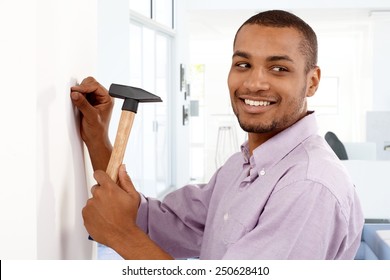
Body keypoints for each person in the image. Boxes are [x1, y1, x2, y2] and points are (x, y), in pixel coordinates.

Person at [70, 10, 364, 260]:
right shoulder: (240, 167)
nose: (255, 83)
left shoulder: (309, 186)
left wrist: (122, 236)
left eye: (278, 68)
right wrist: (97, 139)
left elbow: (127, 227)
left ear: (311, 82)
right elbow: (154, 222)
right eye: (243, 64)